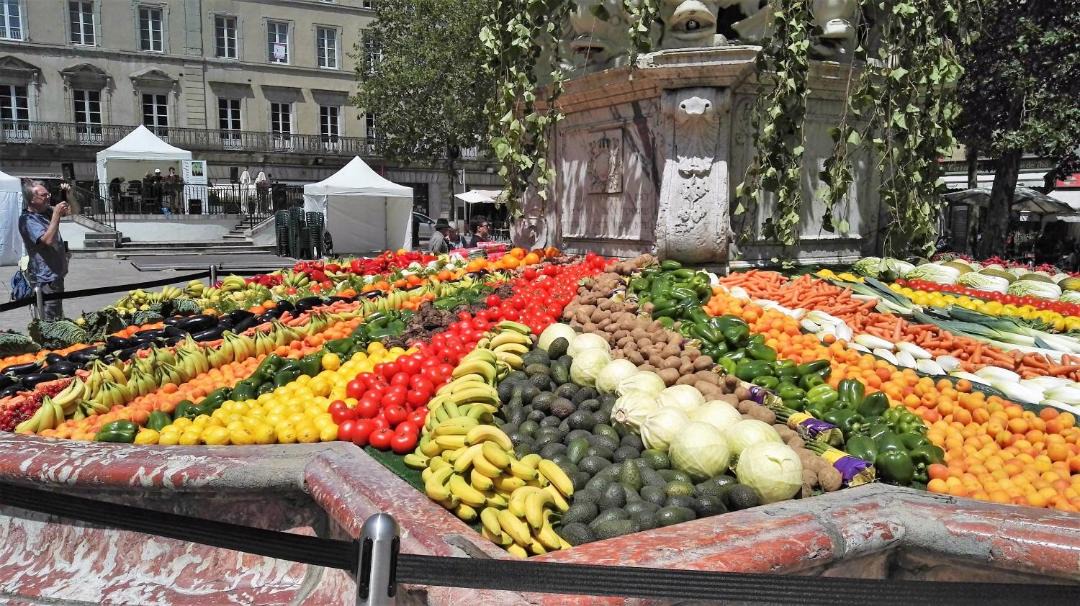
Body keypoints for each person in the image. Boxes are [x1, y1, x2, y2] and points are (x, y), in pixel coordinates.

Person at [18, 180, 70, 321]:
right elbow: (47, 241)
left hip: (56, 274)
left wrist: (67, 195)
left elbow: (70, 212)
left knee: (57, 314)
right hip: (45, 279)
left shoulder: (45, 211)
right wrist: (56, 216)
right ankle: (48, 341)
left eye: (49, 194)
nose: (48, 197)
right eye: (44, 195)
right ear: (32, 199)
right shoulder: (27, 220)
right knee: (50, 319)